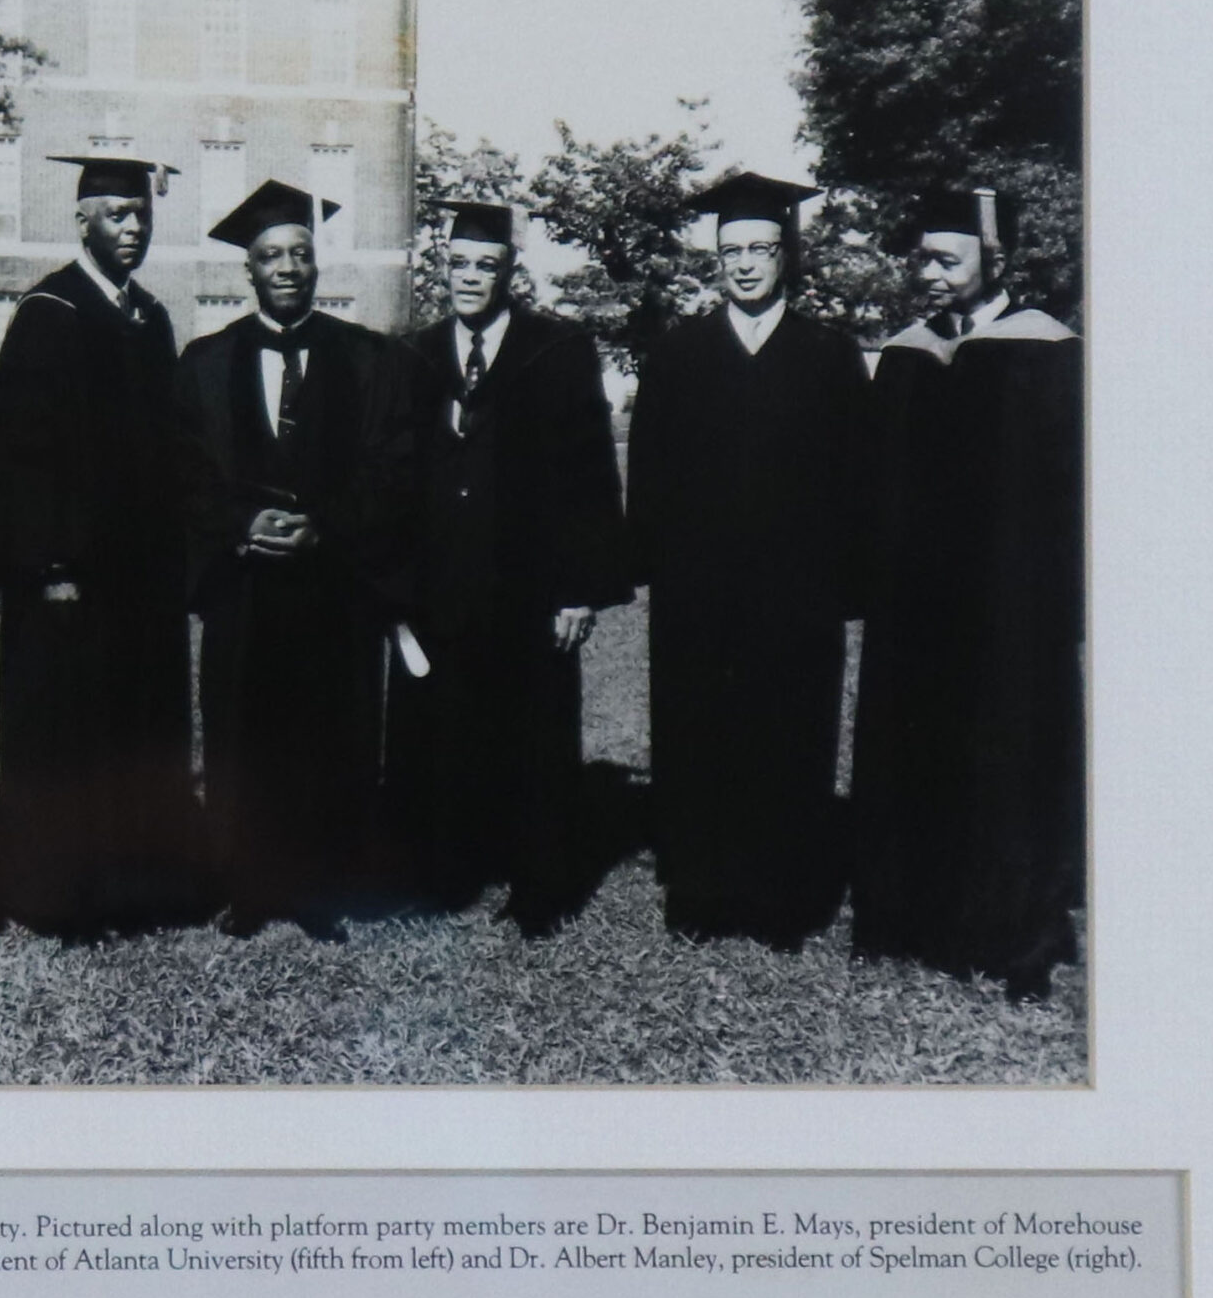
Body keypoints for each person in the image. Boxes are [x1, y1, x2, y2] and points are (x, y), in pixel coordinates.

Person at [851, 181, 1084, 997]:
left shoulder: (1045, 350)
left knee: (1008, 754)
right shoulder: (907, 355)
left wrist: (1060, 602)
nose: (931, 275)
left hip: (1011, 605)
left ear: (997, 260)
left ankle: (1011, 933)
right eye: (923, 260)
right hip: (915, 605)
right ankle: (906, 919)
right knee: (915, 742)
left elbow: (1070, 491)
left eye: (949, 261)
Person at [627, 168, 867, 948]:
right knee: (698, 731)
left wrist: (841, 582)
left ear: (786, 254)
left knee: (789, 732)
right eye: (732, 251)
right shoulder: (678, 353)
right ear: (717, 259)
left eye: (760, 249)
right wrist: (655, 563)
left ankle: (781, 902)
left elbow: (856, 479)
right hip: (697, 591)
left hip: (797, 593)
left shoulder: (829, 355)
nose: (745, 264)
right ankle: (700, 892)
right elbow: (650, 475)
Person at [175, 179, 416, 937]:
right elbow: (184, 473)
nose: (286, 268)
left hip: (334, 584)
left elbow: (393, 467)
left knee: (331, 733)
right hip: (243, 585)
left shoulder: (371, 359)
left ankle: (323, 888)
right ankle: (250, 887)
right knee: (244, 735)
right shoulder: (205, 362)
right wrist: (241, 524)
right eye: (271, 256)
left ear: (317, 265)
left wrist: (325, 528)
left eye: (299, 254)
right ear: (247, 269)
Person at [390, 200, 631, 932]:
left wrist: (580, 590)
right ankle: (443, 876)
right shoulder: (414, 354)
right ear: (444, 266)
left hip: (530, 584)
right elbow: (394, 475)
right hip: (441, 585)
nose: (470, 277)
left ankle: (539, 890)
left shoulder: (557, 351)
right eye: (459, 263)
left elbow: (591, 475)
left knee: (535, 738)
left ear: (509, 271)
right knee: (441, 732)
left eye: (486, 265)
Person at [0, 154, 201, 936]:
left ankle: (136, 885)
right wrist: (49, 565)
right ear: (81, 222)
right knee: (67, 736)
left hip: (141, 578)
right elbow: (21, 456)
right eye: (116, 214)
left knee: (136, 727)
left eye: (142, 214)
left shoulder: (150, 317)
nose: (133, 227)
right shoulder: (49, 313)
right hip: (71, 578)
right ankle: (58, 897)